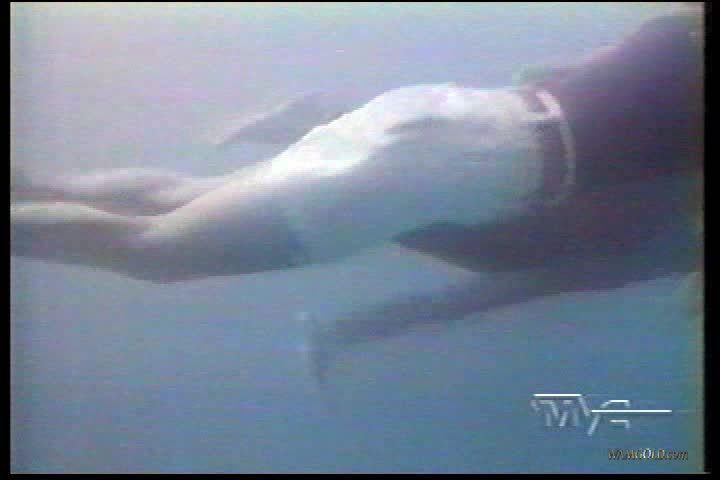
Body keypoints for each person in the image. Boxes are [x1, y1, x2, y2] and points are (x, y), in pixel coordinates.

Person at [12, 10, 703, 287]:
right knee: (157, 251)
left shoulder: (677, 30)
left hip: (452, 113)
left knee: (179, 198)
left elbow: (544, 72)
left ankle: (30, 182)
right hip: (469, 169)